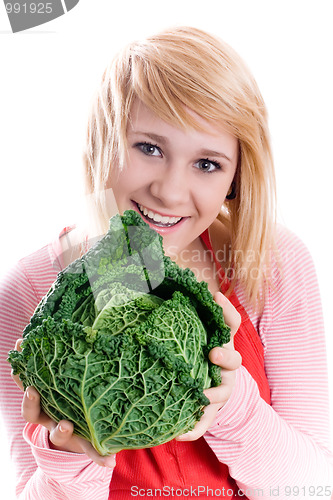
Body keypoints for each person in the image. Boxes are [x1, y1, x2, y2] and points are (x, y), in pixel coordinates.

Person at [0, 26, 332, 499]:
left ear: (237, 178)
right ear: (103, 142)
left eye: (207, 163)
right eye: (149, 148)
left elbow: (314, 489)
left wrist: (233, 406)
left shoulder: (272, 263)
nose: (170, 192)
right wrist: (68, 462)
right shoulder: (29, 288)